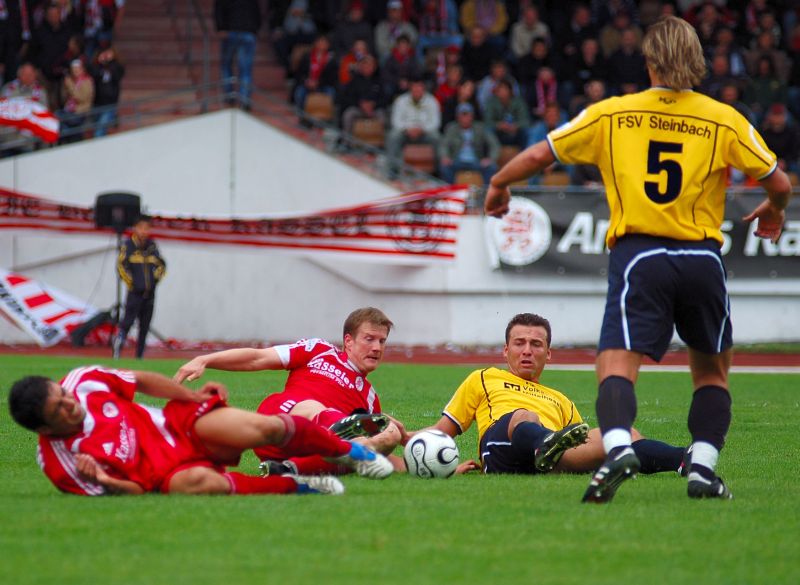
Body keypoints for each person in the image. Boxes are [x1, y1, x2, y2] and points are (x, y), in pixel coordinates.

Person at [484, 16, 793, 503]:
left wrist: (500, 184)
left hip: (641, 254)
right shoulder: (723, 117)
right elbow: (779, 182)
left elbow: (542, 155)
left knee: (616, 365)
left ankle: (619, 445)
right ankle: (703, 469)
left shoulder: (615, 113)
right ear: (697, 61)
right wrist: (774, 212)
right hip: (702, 257)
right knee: (711, 373)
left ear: (648, 61)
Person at [8, 366, 392, 496]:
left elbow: (143, 380)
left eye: (62, 394)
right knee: (198, 484)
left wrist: (189, 396)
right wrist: (106, 482)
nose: (69, 402)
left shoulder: (83, 381)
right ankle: (300, 486)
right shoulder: (59, 465)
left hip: (180, 426)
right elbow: (136, 492)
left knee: (263, 428)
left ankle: (353, 452)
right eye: (59, 408)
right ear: (43, 427)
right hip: (165, 474)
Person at [423, 313, 685, 476]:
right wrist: (403, 439)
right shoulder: (484, 377)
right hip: (504, 450)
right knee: (525, 415)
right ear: (506, 351)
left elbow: (577, 441)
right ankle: (544, 446)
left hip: (552, 461)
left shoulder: (561, 400)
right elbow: (441, 432)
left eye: (536, 344)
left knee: (624, 433)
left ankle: (685, 459)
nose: (527, 350)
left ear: (548, 354)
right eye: (519, 343)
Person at [174, 307, 406, 475]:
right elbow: (258, 358)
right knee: (315, 409)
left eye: (382, 341)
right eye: (369, 339)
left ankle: (289, 469)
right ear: (349, 341)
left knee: (389, 433)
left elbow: (386, 455)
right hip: (279, 420)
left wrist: (420, 461)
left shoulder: (370, 398)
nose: (377, 348)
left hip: (304, 452)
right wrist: (205, 360)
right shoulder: (320, 350)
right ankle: (345, 445)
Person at [113, 215, 166, 359]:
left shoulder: (152, 246)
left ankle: (140, 355)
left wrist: (153, 282)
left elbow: (161, 266)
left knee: (145, 326)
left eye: (147, 228)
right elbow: (121, 266)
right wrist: (133, 284)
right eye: (141, 228)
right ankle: (117, 351)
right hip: (134, 294)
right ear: (135, 228)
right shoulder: (128, 245)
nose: (144, 231)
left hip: (150, 294)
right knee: (127, 322)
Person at [214, 0, 261, 110]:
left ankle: (229, 96)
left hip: (232, 32)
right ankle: (244, 100)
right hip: (246, 32)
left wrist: (220, 28)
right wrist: (254, 30)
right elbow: (257, 14)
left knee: (227, 66)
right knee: (245, 70)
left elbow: (218, 10)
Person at [438, 101, 499, 184]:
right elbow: (443, 145)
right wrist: (445, 157)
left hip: (476, 161)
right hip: (456, 161)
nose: (465, 118)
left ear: (472, 116)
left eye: (467, 115)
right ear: (457, 117)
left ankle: (486, 192)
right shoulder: (451, 128)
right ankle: (450, 191)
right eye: (462, 115)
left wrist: (490, 159)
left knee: (492, 167)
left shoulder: (480, 128)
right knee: (444, 167)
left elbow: (494, 144)